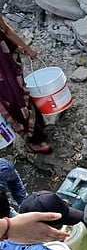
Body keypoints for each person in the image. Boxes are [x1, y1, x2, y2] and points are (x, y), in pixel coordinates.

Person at [0, 14, 50, 154]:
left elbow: (6, 29)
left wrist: (26, 49)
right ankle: (38, 132)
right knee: (19, 95)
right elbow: (6, 30)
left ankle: (36, 140)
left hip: (4, 69)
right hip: (6, 66)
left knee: (13, 102)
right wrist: (26, 49)